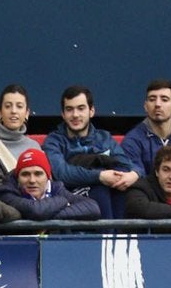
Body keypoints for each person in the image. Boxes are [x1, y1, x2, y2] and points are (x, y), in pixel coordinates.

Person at [42, 85, 140, 218]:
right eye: (69, 109)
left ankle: (118, 236)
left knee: (124, 189)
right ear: (63, 114)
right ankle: (107, 236)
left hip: (110, 197)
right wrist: (100, 176)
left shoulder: (105, 138)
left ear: (91, 111)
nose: (75, 115)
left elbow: (125, 164)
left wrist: (133, 174)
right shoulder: (54, 141)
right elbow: (62, 174)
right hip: (71, 198)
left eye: (81, 108)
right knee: (100, 190)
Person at [120, 79, 171, 189]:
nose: (158, 104)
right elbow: (137, 184)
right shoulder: (132, 141)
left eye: (164, 99)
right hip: (147, 203)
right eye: (152, 99)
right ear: (145, 106)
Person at [0, 147, 101, 221]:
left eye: (38, 174)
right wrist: (62, 201)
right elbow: (37, 211)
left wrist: (48, 214)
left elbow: (92, 207)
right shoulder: (6, 192)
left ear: (48, 177)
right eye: (25, 174)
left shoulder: (56, 188)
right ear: (17, 178)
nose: (32, 180)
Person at [0, 84, 41, 190]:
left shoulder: (34, 147)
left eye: (19, 106)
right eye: (8, 106)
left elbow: (47, 185)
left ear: (27, 113)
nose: (13, 111)